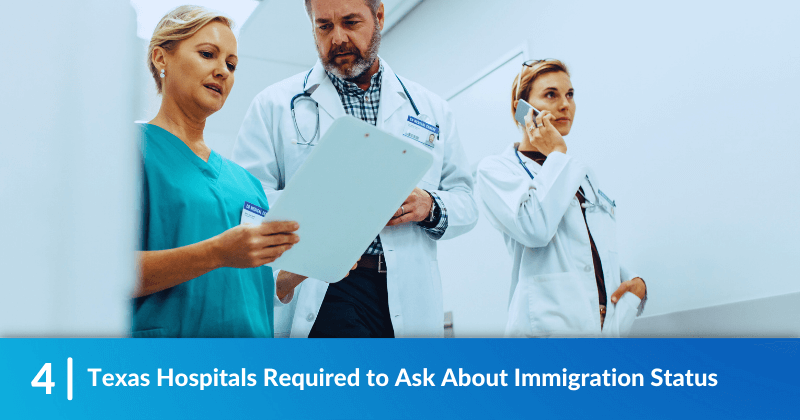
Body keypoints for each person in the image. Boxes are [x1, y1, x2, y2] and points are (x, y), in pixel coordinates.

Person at [233, 0, 478, 338]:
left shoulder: (431, 109)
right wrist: (318, 202)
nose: (337, 38)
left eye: (350, 22)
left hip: (404, 287)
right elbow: (249, 203)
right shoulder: (273, 105)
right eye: (324, 26)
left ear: (378, 17)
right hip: (322, 288)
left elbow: (466, 200)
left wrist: (430, 205)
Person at [134, 6, 301, 338]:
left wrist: (299, 273)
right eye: (208, 54)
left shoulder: (248, 185)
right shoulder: (128, 152)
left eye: (231, 64)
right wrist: (216, 252)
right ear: (160, 58)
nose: (222, 71)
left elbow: (246, 289)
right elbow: (99, 274)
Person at [476, 59, 647, 337]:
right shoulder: (496, 170)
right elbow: (535, 229)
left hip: (604, 329)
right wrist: (556, 153)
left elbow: (591, 249)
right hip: (546, 332)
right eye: (551, 94)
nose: (565, 104)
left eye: (570, 94)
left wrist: (635, 286)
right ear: (520, 108)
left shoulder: (582, 174)